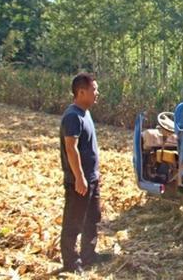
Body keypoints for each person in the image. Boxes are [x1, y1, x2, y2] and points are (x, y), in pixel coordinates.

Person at [59, 73, 110, 273]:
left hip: (91, 179)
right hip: (78, 181)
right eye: (94, 89)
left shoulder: (84, 113)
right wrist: (79, 177)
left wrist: (94, 175)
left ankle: (89, 255)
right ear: (81, 92)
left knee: (92, 218)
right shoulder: (72, 116)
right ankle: (71, 264)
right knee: (73, 222)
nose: (97, 93)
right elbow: (71, 148)